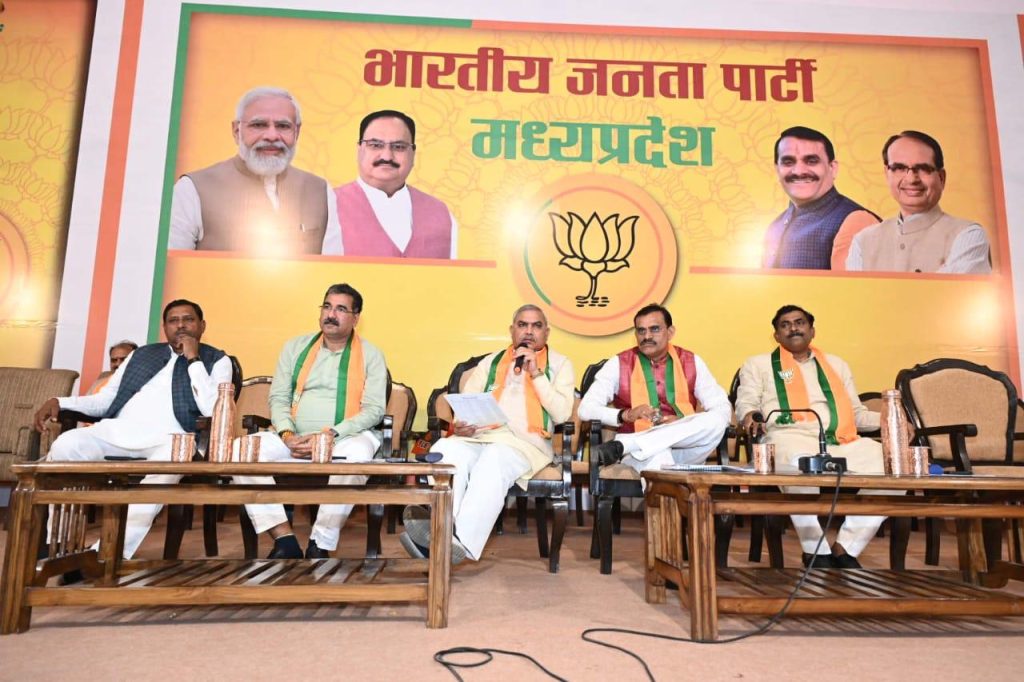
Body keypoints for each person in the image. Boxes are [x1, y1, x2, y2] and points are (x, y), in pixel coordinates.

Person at [33, 300, 233, 558]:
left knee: (176, 457)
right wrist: (60, 402)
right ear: (164, 328)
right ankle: (62, 548)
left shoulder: (218, 360)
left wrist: (193, 359)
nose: (181, 325)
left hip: (171, 440)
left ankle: (105, 553)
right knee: (66, 444)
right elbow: (105, 400)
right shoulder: (141, 355)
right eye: (173, 321)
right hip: (118, 431)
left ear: (202, 326)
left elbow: (213, 409)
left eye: (188, 319)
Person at [399, 304, 574, 563]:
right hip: (479, 437)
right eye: (522, 325)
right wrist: (461, 424)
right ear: (512, 330)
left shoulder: (560, 364)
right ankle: (444, 534)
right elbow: (466, 405)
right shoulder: (490, 362)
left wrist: (536, 373)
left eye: (536, 326)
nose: (529, 331)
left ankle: (452, 542)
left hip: (525, 444)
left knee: (494, 459)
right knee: (445, 451)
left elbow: (561, 415)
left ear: (546, 333)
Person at [231, 283, 387, 559]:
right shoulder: (295, 347)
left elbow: (374, 410)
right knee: (240, 451)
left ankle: (321, 542)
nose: (331, 314)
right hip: (294, 437)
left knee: (358, 457)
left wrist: (331, 434)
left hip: (344, 438)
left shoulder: (371, 354)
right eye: (327, 306)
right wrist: (287, 435)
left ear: (355, 318)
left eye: (340, 309)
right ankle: (284, 539)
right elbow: (278, 398)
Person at [734, 304, 892, 569]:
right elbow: (746, 402)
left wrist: (891, 421)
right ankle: (815, 549)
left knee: (889, 462)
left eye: (799, 322)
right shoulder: (757, 364)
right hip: (787, 436)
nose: (793, 328)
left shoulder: (837, 365)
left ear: (812, 330)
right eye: (785, 325)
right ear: (776, 335)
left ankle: (847, 546)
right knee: (799, 462)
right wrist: (750, 415)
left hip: (838, 440)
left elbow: (856, 414)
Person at [168, 86, 339, 255]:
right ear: (236, 131)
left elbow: (333, 267)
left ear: (297, 132)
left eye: (283, 126)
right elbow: (170, 266)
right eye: (258, 125)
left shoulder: (320, 191)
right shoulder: (192, 189)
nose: (272, 136)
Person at [579, 303, 731, 475]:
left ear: (670, 332)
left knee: (717, 420)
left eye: (655, 329)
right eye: (641, 331)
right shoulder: (619, 363)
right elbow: (586, 409)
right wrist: (626, 415)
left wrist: (682, 423)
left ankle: (626, 445)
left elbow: (722, 408)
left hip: (685, 448)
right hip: (641, 454)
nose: (647, 336)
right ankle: (635, 446)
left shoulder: (691, 361)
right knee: (659, 459)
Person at [846, 130, 991, 273]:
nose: (911, 179)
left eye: (923, 169)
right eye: (899, 168)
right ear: (887, 174)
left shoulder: (968, 236)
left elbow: (947, 290)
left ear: (941, 178)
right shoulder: (863, 242)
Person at [323, 110, 458, 259]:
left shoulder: (440, 213)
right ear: (359, 149)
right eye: (375, 145)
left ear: (413, 153)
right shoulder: (326, 206)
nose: (387, 156)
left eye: (398, 147)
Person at [762, 126, 879, 270]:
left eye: (811, 161)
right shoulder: (776, 225)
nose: (799, 171)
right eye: (788, 162)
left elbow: (860, 285)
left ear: (832, 168)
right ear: (777, 169)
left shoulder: (856, 221)